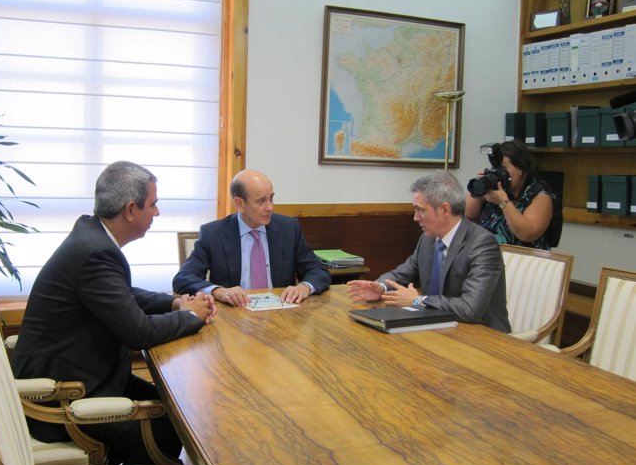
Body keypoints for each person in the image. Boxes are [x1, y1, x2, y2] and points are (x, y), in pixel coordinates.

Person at [12, 161, 217, 465]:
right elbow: (140, 333)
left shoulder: (92, 237)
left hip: (85, 372)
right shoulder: (96, 251)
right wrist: (192, 316)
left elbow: (122, 294)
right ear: (131, 209)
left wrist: (174, 305)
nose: (157, 213)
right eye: (153, 204)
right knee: (173, 429)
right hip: (64, 394)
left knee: (179, 409)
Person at [347, 171, 510, 333]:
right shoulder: (428, 239)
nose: (415, 218)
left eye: (421, 210)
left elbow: (470, 309)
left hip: (483, 339)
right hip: (437, 330)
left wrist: (417, 301)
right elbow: (402, 273)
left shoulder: (482, 244)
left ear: (445, 210)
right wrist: (380, 287)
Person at [172, 169, 331, 306]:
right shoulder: (214, 233)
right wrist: (219, 291)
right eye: (261, 200)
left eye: (271, 198)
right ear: (240, 204)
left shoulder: (288, 229)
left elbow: (317, 270)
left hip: (282, 314)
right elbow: (183, 279)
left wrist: (304, 287)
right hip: (234, 317)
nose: (270, 207)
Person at [465, 140, 553, 250]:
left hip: (523, 261)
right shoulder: (495, 191)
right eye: (495, 169)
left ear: (521, 169)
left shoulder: (540, 197)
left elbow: (526, 234)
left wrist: (504, 203)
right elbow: (465, 212)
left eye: (503, 169)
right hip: (488, 258)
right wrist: (483, 187)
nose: (499, 173)